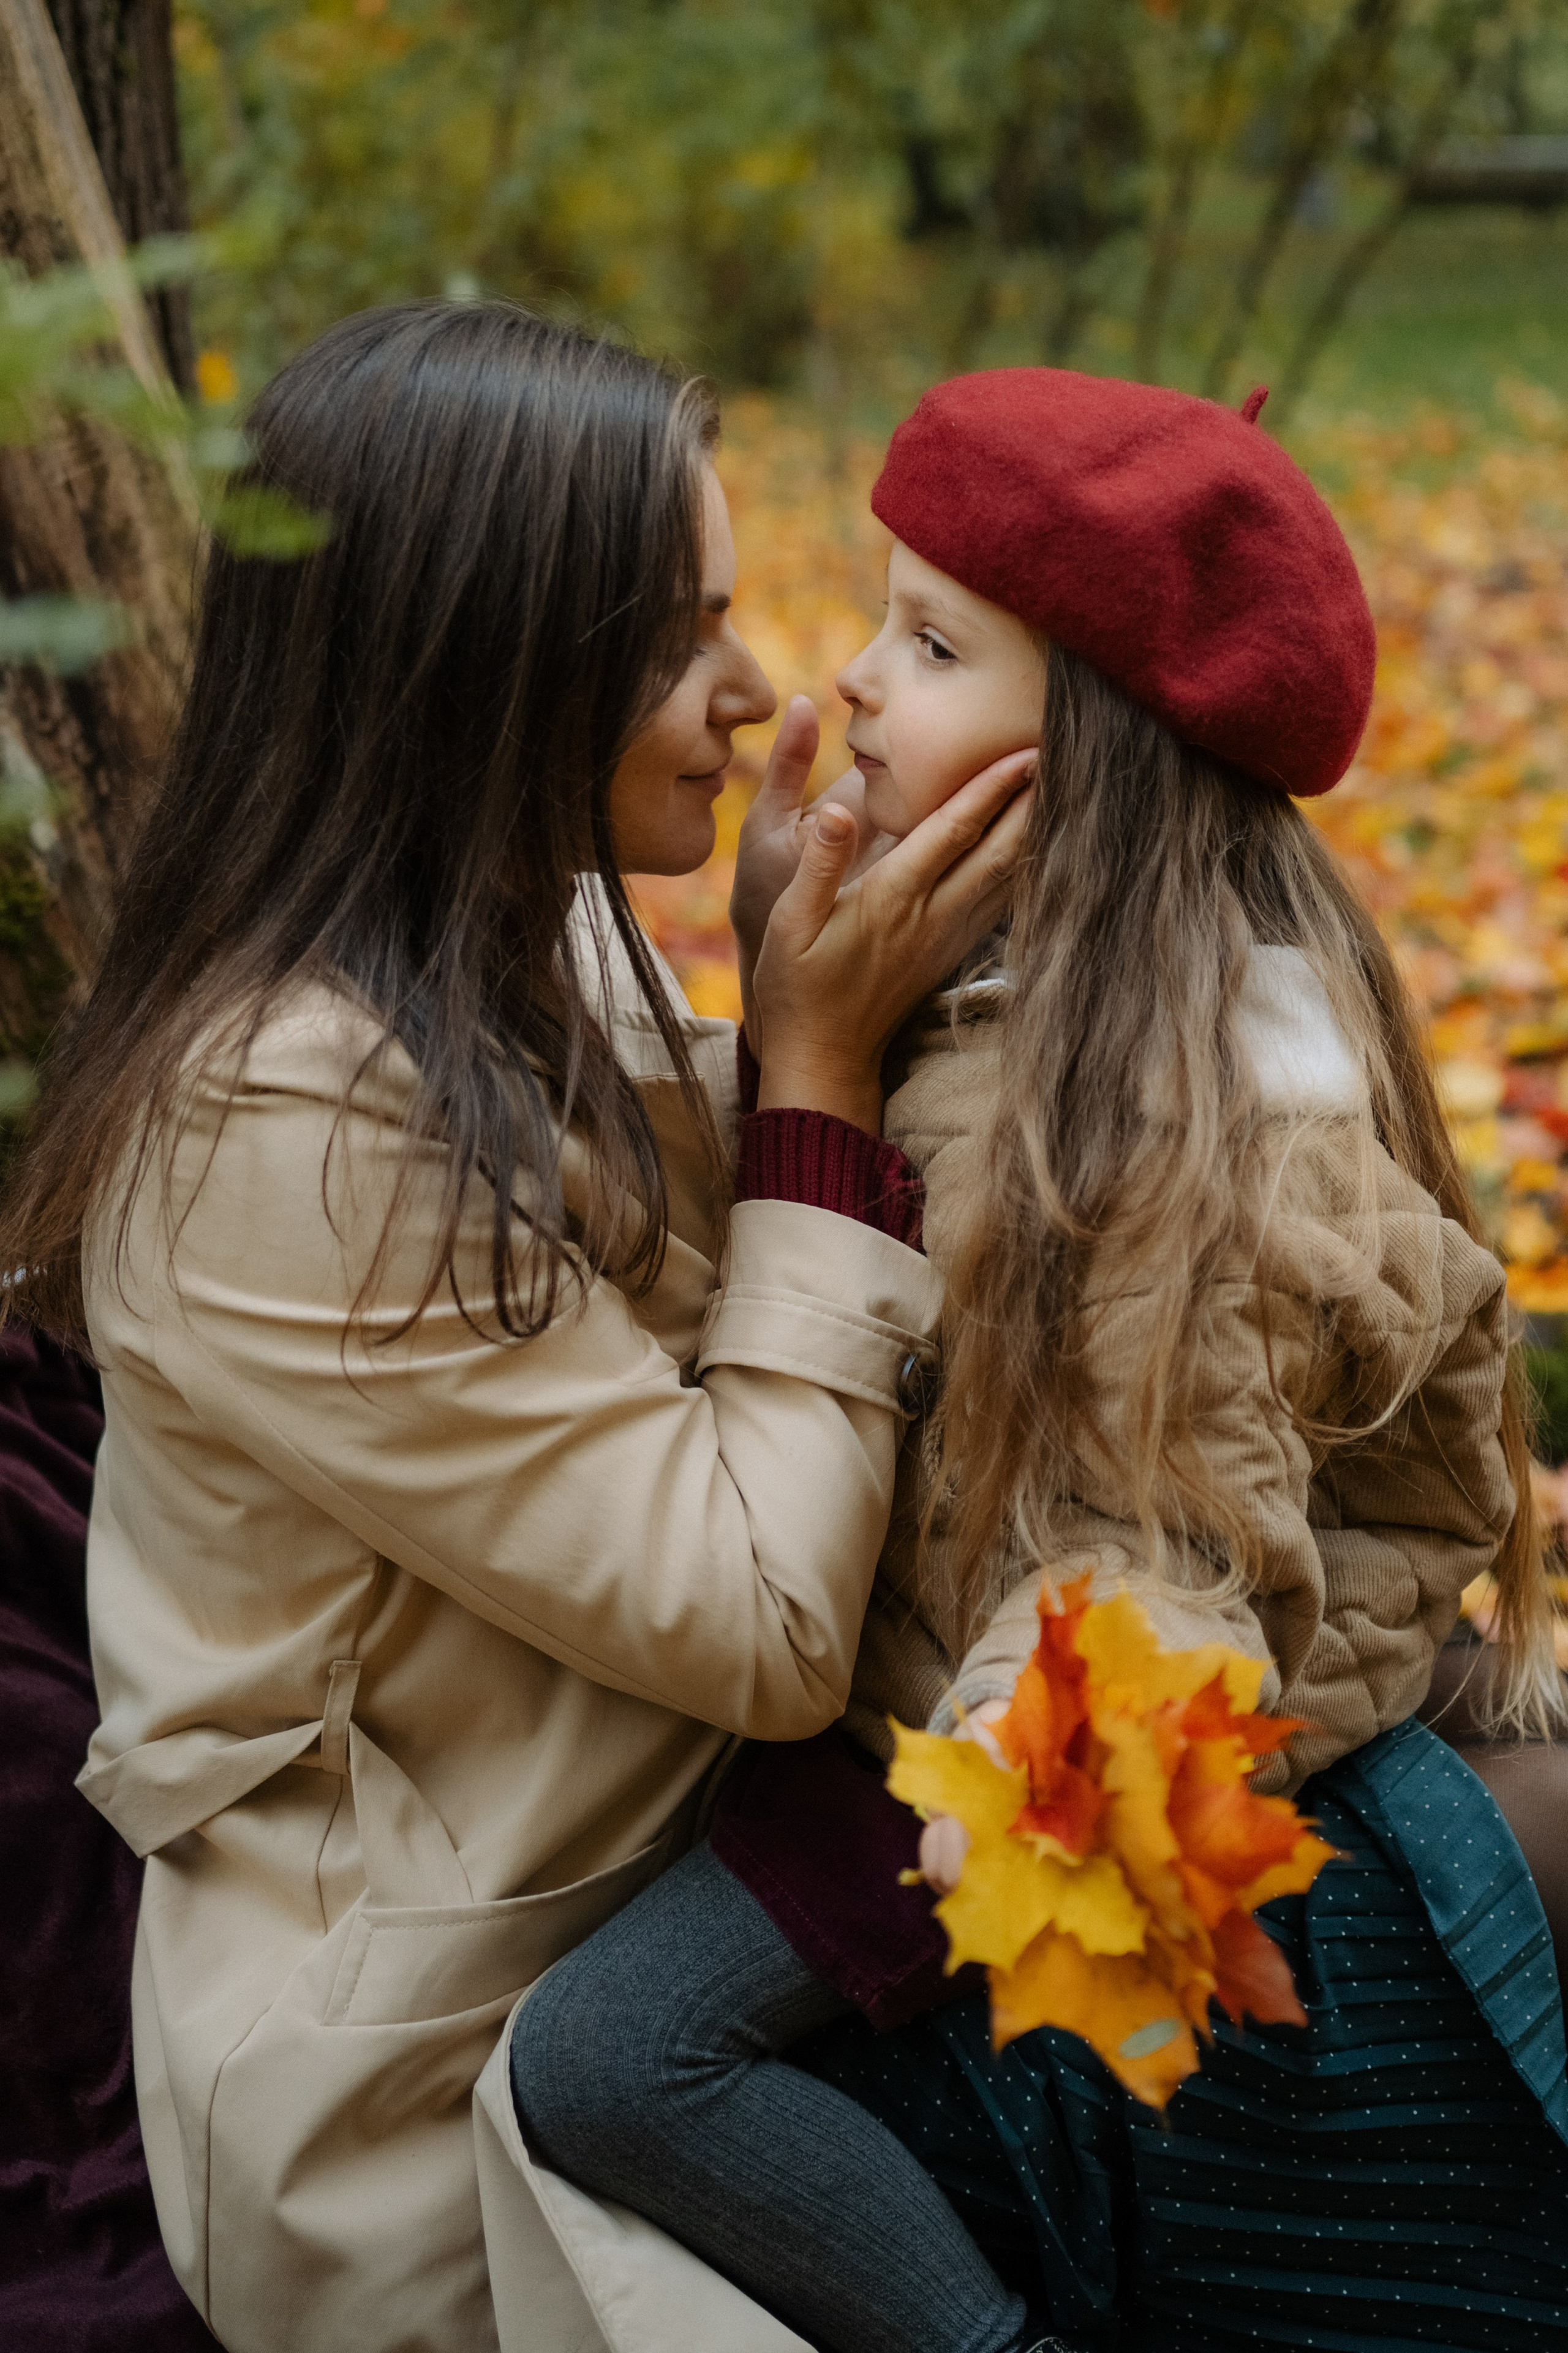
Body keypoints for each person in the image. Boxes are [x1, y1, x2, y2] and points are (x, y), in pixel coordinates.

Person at [0, 303, 1032, 2353]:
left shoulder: (517, 926)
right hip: (458, 2092)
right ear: (484, 660)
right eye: (678, 639)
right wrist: (812, 1074)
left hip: (670, 1896)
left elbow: (693, 1269)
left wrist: (788, 993)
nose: (759, 695)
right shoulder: (277, 1111)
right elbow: (758, 1610)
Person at [510, 369, 1568, 2353]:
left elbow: (1159, 1525)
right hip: (927, 1648)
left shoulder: (1167, 1129)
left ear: (1099, 744)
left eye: (928, 645)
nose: (851, 682)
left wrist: (1028, 1752)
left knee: (614, 2059)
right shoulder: (1007, 998)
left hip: (1044, 1713)